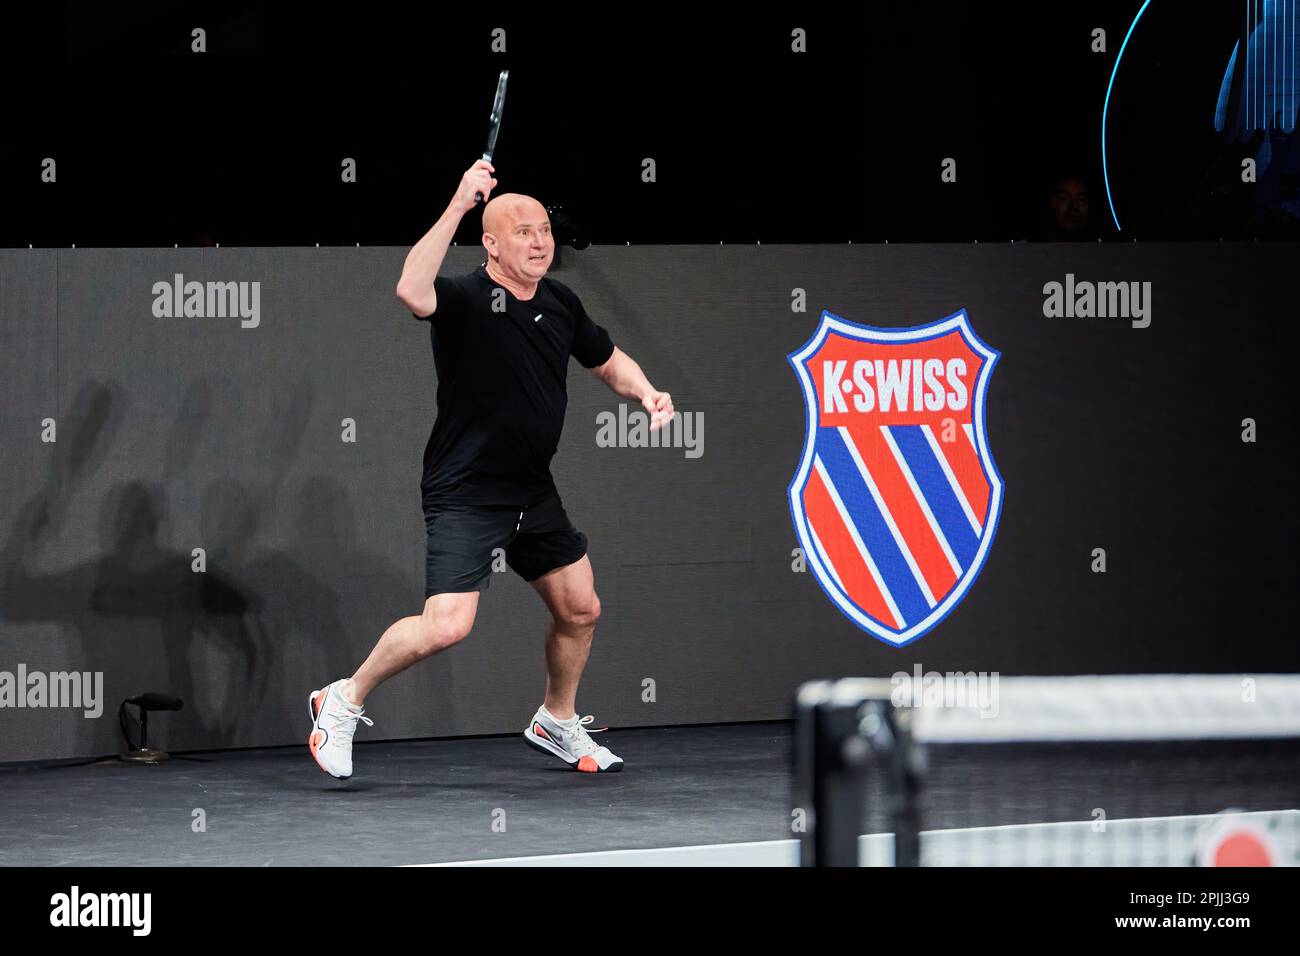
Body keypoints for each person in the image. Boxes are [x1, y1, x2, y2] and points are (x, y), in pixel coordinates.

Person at [306, 159, 674, 777]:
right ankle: (341, 700)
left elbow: (606, 359)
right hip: (468, 490)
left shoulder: (560, 302)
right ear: (492, 244)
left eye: (545, 231)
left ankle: (556, 720)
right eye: (523, 231)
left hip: (532, 487)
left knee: (580, 607)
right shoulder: (466, 298)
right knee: (447, 626)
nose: (540, 241)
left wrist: (645, 392)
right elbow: (409, 290)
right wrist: (456, 203)